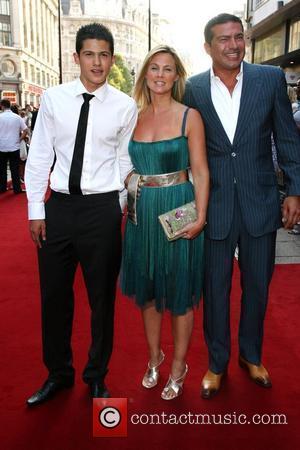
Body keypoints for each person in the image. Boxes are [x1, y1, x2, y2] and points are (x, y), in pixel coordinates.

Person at [184, 13, 300, 399]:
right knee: (214, 288)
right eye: (223, 39)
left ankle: (251, 355)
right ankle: (217, 362)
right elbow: (185, 149)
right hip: (213, 206)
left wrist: (295, 191)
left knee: (258, 288)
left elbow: (287, 139)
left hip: (260, 200)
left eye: (239, 37)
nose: (233, 45)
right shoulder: (194, 89)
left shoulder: (270, 80)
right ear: (208, 47)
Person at [25, 22, 137, 406]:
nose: (97, 62)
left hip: (101, 211)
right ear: (76, 57)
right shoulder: (54, 99)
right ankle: (58, 374)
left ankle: (96, 377)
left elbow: (125, 160)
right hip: (58, 209)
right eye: (89, 54)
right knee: (54, 297)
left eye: (104, 54)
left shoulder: (124, 105)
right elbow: (39, 155)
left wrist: (119, 205)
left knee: (102, 300)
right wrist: (36, 210)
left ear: (111, 59)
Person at [121, 45, 209, 400]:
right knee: (148, 291)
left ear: (177, 76)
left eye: (168, 69)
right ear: (145, 74)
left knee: (180, 292)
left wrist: (201, 216)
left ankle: (179, 365)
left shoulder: (190, 117)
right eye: (154, 68)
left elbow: (201, 171)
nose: (160, 74)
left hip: (179, 207)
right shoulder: (133, 116)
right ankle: (155, 355)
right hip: (142, 210)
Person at [0, 99, 27, 194]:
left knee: (2, 169)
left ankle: (2, 188)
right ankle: (17, 189)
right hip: (14, 146)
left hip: (2, 146)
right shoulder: (17, 117)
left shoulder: (0, 117)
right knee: (14, 168)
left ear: (2, 106)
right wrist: (19, 139)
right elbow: (26, 130)